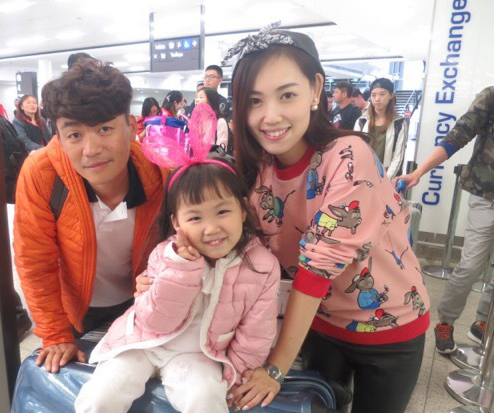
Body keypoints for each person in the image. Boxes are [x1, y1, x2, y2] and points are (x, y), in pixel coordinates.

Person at [135, 23, 429, 412]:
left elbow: (316, 269)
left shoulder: (347, 156)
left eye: (286, 95)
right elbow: (228, 244)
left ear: (315, 88)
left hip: (389, 327)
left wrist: (275, 368)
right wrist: (166, 272)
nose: (270, 116)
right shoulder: (255, 171)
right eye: (254, 101)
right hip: (314, 325)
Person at [74, 147, 280, 413]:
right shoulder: (164, 255)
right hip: (143, 343)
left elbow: (255, 335)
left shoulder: (262, 267)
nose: (211, 228)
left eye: (222, 212)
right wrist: (182, 268)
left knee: (206, 399)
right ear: (176, 222)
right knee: (102, 395)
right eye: (195, 217)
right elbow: (154, 322)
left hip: (198, 355)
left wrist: (239, 377)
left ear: (242, 209)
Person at [13, 58, 169, 373]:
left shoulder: (159, 169)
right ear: (58, 137)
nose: (91, 149)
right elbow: (35, 261)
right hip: (77, 310)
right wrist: (55, 333)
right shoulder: (42, 174)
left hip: (144, 304)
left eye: (105, 129)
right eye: (74, 135)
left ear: (131, 126)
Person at [395, 86, 494, 354]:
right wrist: (419, 172)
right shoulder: (491, 96)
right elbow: (457, 136)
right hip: (487, 195)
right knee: (470, 265)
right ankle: (446, 322)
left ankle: (483, 322)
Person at [354, 78, 409, 179]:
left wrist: (385, 181)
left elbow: (398, 157)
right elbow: (355, 150)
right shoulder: (362, 121)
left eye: (382, 94)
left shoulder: (399, 123)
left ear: (391, 95)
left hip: (387, 175)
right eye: (373, 95)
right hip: (363, 175)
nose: (377, 99)